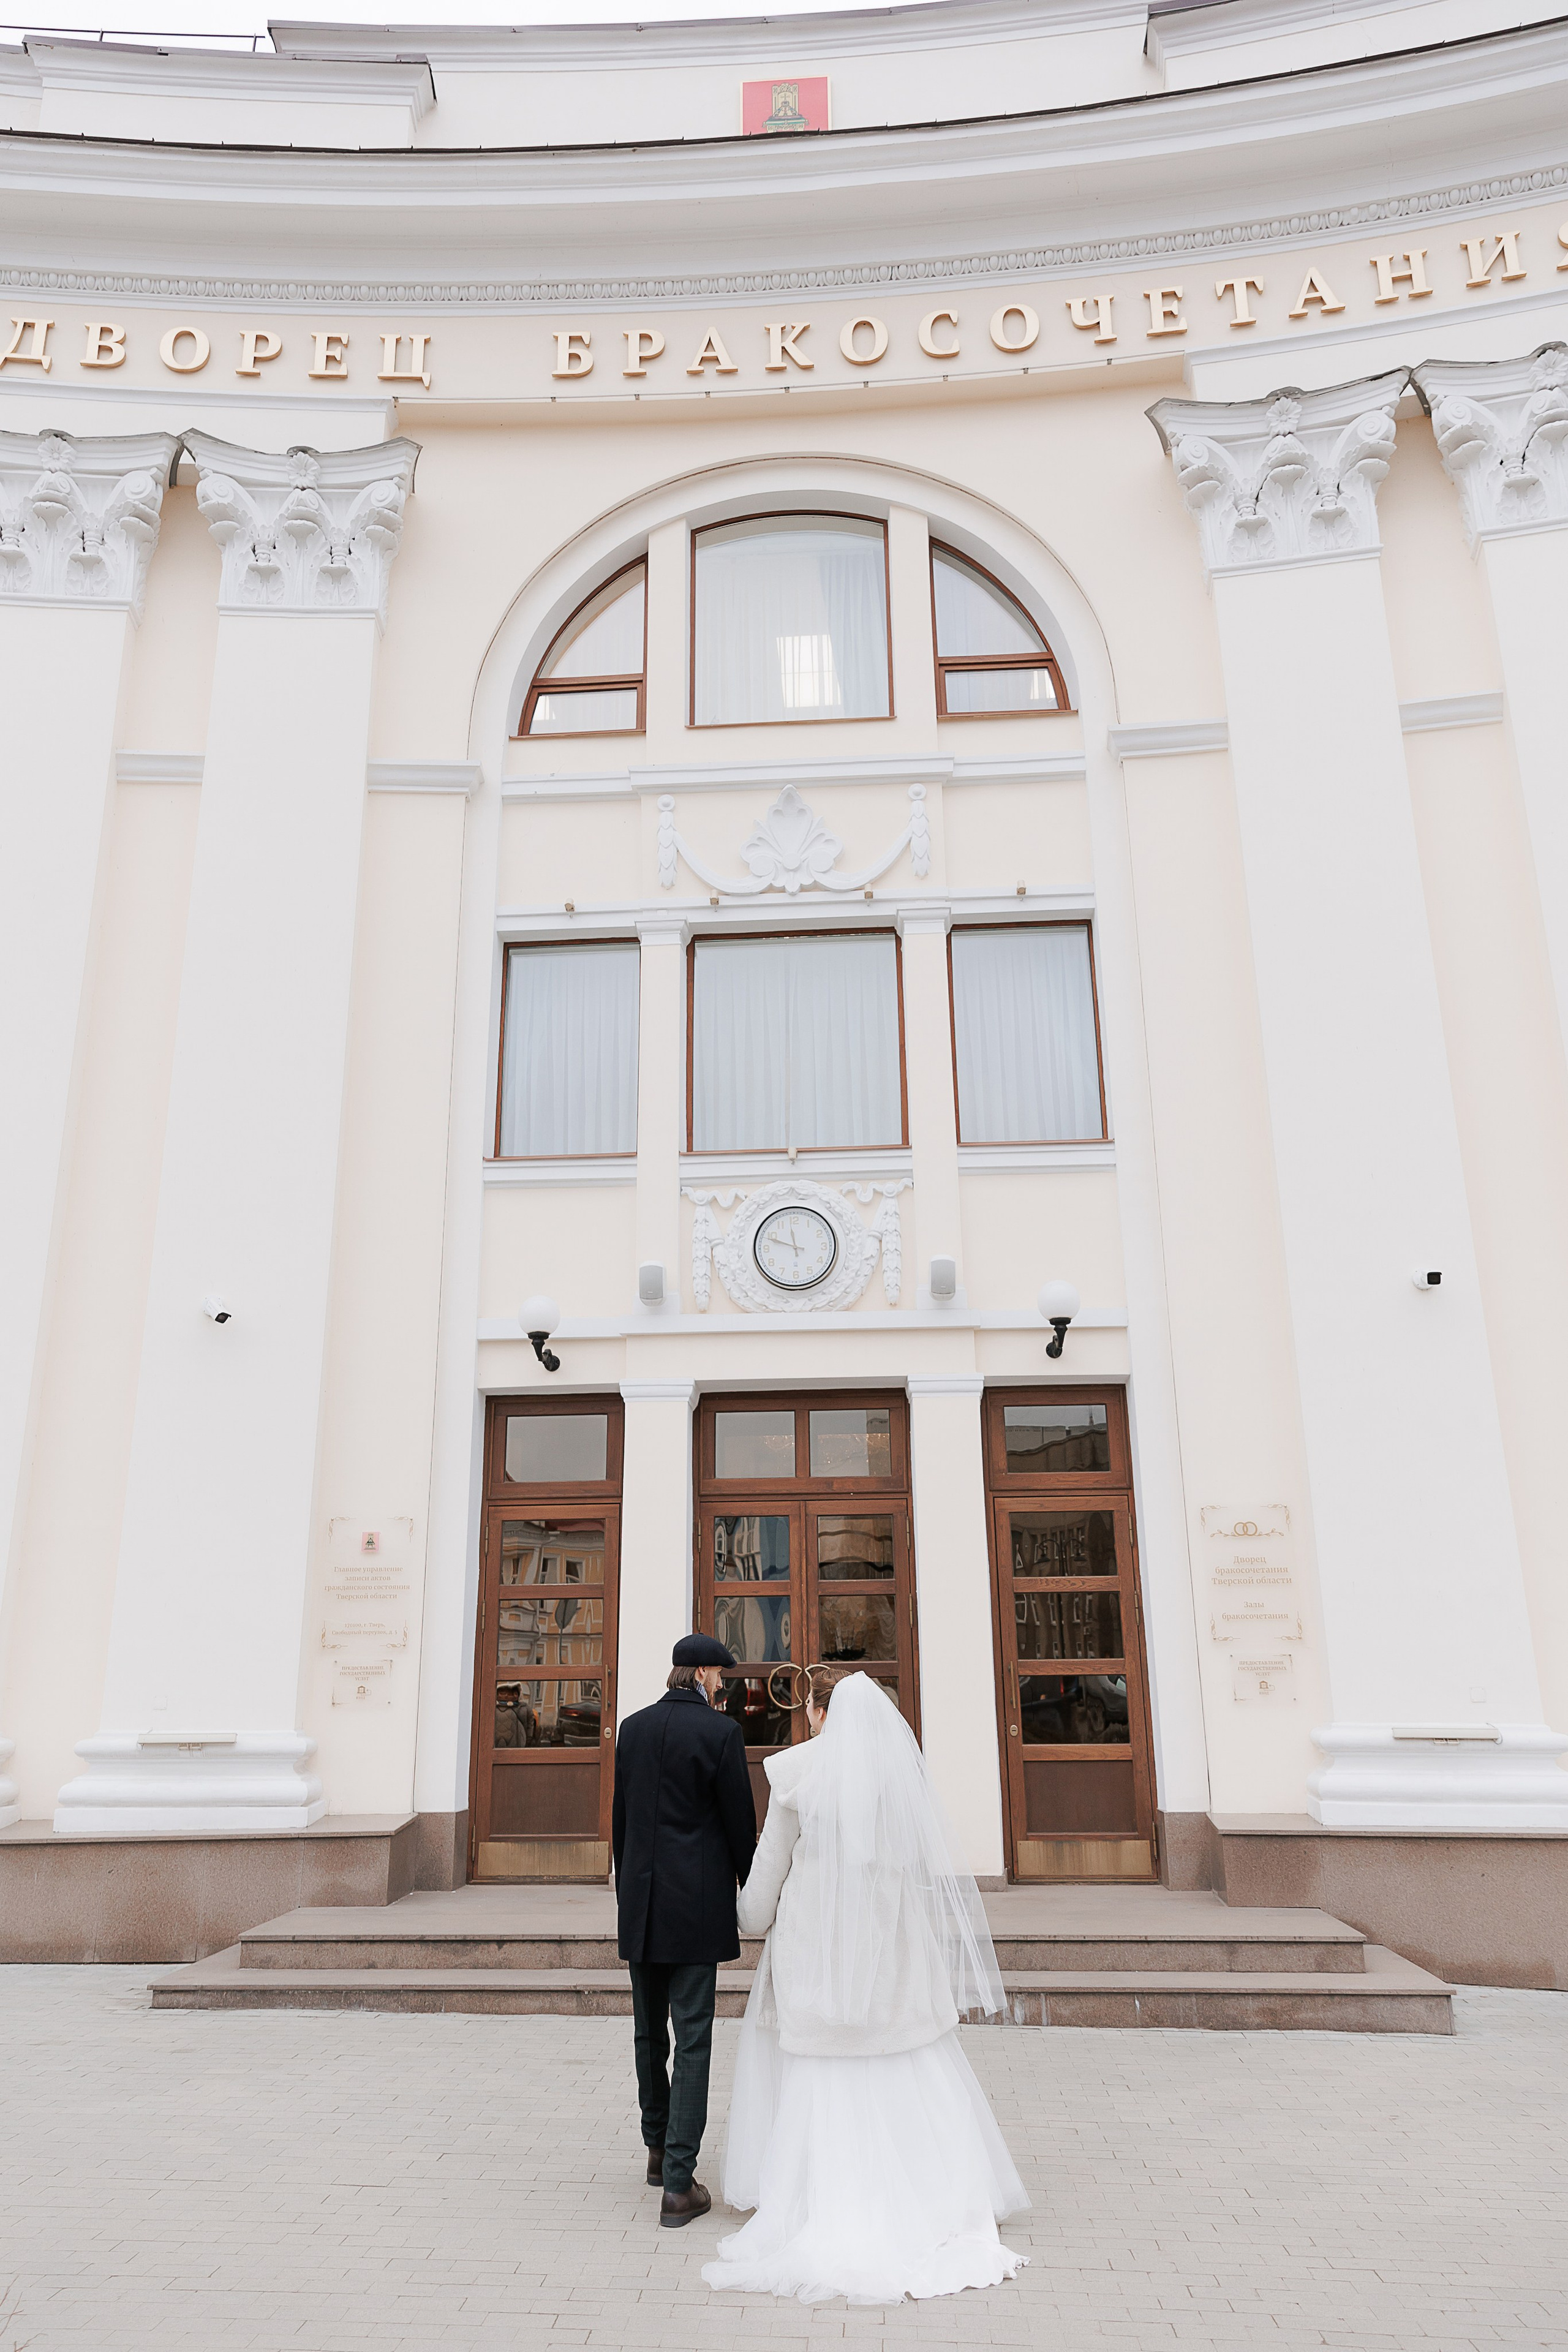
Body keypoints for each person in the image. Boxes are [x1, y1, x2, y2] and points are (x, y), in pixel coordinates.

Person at [703, 1667, 1029, 2304]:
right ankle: (929, 2187)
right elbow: (915, 1862)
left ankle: (820, 2191)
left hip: (816, 1943)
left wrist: (747, 1919)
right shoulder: (895, 1779)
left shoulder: (796, 1773)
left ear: (819, 1714)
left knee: (817, 2063)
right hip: (889, 1944)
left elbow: (770, 1866)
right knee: (907, 2055)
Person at [612, 1632, 757, 2228]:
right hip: (695, 1907)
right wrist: (756, 1889)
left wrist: (627, 1892)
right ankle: (679, 2182)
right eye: (719, 1676)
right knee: (693, 2038)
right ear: (700, 1674)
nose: (722, 1685)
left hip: (642, 1902)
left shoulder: (633, 1728)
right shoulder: (720, 1734)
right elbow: (738, 1823)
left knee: (650, 2033)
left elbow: (621, 1820)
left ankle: (655, 2152)